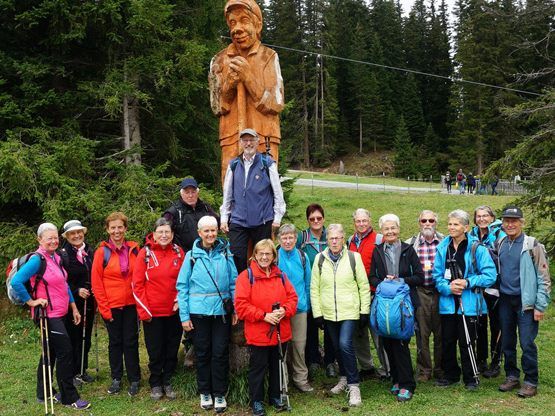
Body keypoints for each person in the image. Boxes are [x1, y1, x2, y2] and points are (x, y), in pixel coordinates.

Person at [11, 223, 90, 410]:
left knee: (51, 352)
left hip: (61, 313)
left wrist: (74, 307)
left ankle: (43, 393)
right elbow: (16, 281)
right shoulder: (37, 260)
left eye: (55, 237)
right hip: (47, 315)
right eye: (49, 238)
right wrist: (31, 301)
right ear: (40, 240)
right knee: (65, 352)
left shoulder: (56, 257)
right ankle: (69, 397)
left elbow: (63, 284)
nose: (53, 241)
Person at [209, 0, 285, 183]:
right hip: (231, 137)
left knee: (265, 186)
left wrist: (248, 77)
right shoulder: (219, 60)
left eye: (244, 21)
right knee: (231, 186)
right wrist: (229, 85)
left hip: (264, 135)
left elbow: (276, 102)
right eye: (233, 23)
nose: (237, 29)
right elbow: (216, 106)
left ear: (258, 25)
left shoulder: (268, 57)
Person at [177, 216, 238, 412]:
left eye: (213, 230)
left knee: (220, 353)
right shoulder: (191, 256)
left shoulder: (226, 253)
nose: (211, 234)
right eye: (206, 231)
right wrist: (184, 316)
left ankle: (219, 393)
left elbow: (234, 283)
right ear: (199, 232)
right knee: (202, 353)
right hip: (199, 313)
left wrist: (235, 308)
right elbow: (183, 286)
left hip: (221, 313)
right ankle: (205, 392)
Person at [433, 210, 497, 390]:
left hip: (469, 304)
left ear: (466, 227)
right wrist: (448, 288)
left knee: (467, 340)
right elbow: (437, 276)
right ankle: (451, 374)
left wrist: (468, 282)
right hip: (447, 304)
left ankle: (471, 377)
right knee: (447, 340)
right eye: (450, 224)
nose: (452, 227)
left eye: (456, 224)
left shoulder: (477, 248)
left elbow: (490, 275)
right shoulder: (442, 247)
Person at [235, 239, 297, 416]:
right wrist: (264, 315)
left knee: (277, 364)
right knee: (258, 367)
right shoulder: (246, 277)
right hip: (259, 332)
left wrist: (284, 310)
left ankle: (275, 396)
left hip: (280, 329)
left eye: (267, 254)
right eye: (260, 253)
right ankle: (256, 401)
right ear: (254, 255)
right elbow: (241, 305)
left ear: (273, 256)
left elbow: (293, 298)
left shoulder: (281, 276)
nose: (264, 257)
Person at [311, 224, 370, 407]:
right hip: (329, 312)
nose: (334, 241)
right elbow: (315, 287)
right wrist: (318, 313)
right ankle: (344, 378)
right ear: (327, 240)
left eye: (338, 238)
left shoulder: (354, 258)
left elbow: (363, 285)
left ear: (343, 239)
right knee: (337, 347)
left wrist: (364, 311)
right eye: (331, 238)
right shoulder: (320, 259)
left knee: (345, 344)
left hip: (349, 311)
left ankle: (354, 386)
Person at [496, 206, 551, 398]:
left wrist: (540, 305)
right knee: (507, 342)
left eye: (514, 221)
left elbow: (544, 277)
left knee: (527, 343)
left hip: (525, 303)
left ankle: (530, 381)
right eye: (507, 221)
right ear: (502, 223)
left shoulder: (532, 245)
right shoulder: (501, 242)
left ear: (522, 223)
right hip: (505, 300)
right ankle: (511, 376)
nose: (510, 224)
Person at [370, 214, 424, 402]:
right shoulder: (377, 251)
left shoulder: (408, 250)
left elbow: (419, 277)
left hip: (404, 305)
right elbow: (372, 278)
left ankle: (407, 384)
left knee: (400, 343)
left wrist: (400, 281)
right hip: (385, 305)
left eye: (393, 228)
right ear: (382, 231)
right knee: (387, 342)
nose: (390, 231)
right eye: (386, 229)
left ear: (398, 229)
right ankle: (396, 378)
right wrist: (384, 283)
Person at [132, 218, 185, 401]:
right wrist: (144, 311)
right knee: (155, 349)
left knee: (172, 347)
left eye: (167, 232)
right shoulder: (144, 254)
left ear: (172, 234)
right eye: (160, 232)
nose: (164, 235)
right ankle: (155, 382)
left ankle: (168, 380)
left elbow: (184, 280)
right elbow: (137, 285)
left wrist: (180, 301)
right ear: (154, 234)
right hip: (152, 313)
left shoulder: (179, 252)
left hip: (174, 311)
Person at [220, 128, 286, 273]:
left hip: (262, 221)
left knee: (263, 257)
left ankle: (260, 288)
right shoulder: (234, 165)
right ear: (241, 143)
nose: (248, 143)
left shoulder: (267, 163)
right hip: (238, 220)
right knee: (236, 255)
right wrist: (224, 218)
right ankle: (241, 287)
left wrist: (277, 217)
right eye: (245, 140)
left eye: (251, 140)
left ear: (257, 142)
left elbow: (277, 193)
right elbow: (227, 195)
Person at [91, 212, 141, 396]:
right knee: (115, 342)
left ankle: (134, 378)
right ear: (107, 229)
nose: (117, 231)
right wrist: (104, 309)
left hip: (132, 305)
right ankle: (116, 377)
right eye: (113, 227)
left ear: (125, 228)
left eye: (120, 227)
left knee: (131, 341)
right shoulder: (101, 252)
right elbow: (96, 283)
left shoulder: (135, 249)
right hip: (111, 305)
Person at [296, 203, 336, 378]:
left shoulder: (331, 236)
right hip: (309, 286)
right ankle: (312, 359)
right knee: (311, 324)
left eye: (319, 218)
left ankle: (330, 361)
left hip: (328, 287)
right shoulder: (302, 237)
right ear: (308, 220)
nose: (316, 221)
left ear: (324, 219)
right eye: (312, 218)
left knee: (329, 325)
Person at [347, 208, 387, 379]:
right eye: (358, 221)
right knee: (359, 333)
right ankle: (367, 367)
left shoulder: (379, 239)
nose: (361, 224)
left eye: (364, 220)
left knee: (378, 334)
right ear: (354, 222)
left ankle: (387, 368)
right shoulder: (350, 240)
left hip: (374, 293)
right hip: (355, 295)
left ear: (370, 221)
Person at [405, 210, 444, 382]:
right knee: (422, 333)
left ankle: (440, 368)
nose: (427, 223)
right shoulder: (410, 244)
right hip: (420, 291)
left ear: (436, 222)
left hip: (441, 292)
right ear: (419, 223)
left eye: (431, 220)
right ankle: (424, 370)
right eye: (423, 220)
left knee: (441, 332)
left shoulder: (445, 242)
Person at [469, 206, 506, 378]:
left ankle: (496, 360)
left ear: (492, 218)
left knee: (497, 324)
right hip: (478, 287)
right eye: (479, 216)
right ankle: (481, 358)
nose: (482, 219)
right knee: (479, 323)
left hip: (497, 287)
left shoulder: (500, 234)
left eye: (485, 216)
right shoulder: (472, 234)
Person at [276, 224, 313, 392]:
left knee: (299, 346)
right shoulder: (274, 257)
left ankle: (300, 379)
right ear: (279, 239)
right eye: (284, 238)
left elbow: (308, 283)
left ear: (296, 238)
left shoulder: (302, 256)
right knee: (281, 347)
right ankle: (283, 382)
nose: (288, 240)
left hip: (299, 309)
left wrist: (307, 305)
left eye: (291, 237)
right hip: (280, 311)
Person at [59, 220, 96, 386]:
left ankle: (82, 369)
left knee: (85, 337)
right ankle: (72, 372)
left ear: (83, 232)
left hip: (89, 301)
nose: (76, 236)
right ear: (66, 236)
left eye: (78, 232)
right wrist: (76, 290)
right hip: (71, 303)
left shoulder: (89, 251)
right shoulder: (63, 255)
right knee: (73, 337)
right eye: (72, 233)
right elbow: (61, 281)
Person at [163, 177, 219, 252]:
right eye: (187, 192)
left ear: (197, 193)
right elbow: (162, 232)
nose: (190, 195)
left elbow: (219, 223)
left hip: (206, 254)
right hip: (184, 257)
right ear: (181, 194)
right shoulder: (173, 212)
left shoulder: (205, 208)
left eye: (193, 192)